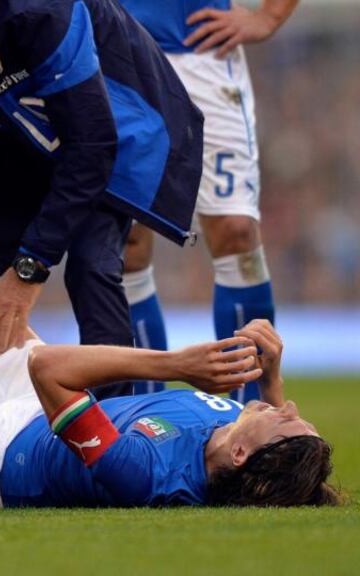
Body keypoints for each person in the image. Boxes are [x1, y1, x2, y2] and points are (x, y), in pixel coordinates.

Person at [0, 0, 204, 397]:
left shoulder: (38, 12)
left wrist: (28, 270)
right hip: (17, 146)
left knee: (90, 268)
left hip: (110, 135)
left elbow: (91, 143)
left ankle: (116, 440)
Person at [0, 277, 339, 508]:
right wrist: (270, 376)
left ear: (242, 454)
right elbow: (264, 446)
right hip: (31, 416)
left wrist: (174, 363)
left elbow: (50, 369)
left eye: (287, 419)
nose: (288, 406)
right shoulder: (235, 435)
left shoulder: (147, 473)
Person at [117, 0, 299, 401]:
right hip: (118, 51)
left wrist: (267, 16)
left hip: (203, 53)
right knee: (126, 244)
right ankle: (145, 417)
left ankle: (252, 416)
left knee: (236, 232)